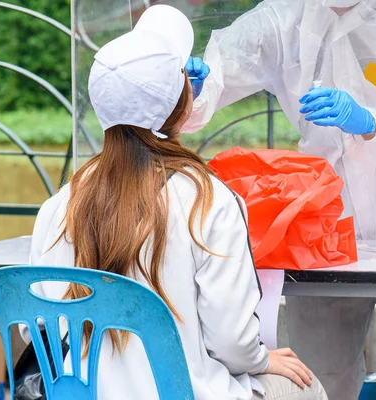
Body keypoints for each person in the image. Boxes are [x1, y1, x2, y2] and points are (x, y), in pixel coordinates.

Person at [25, 4, 328, 400]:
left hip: (82, 393)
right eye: (184, 75)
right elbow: (233, 342)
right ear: (184, 103)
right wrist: (261, 361)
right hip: (189, 393)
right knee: (305, 386)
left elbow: (39, 324)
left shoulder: (60, 204)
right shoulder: (208, 199)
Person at [184, 0, 376, 399]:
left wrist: (372, 126)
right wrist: (196, 85)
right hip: (324, 230)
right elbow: (229, 58)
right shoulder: (289, 17)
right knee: (318, 376)